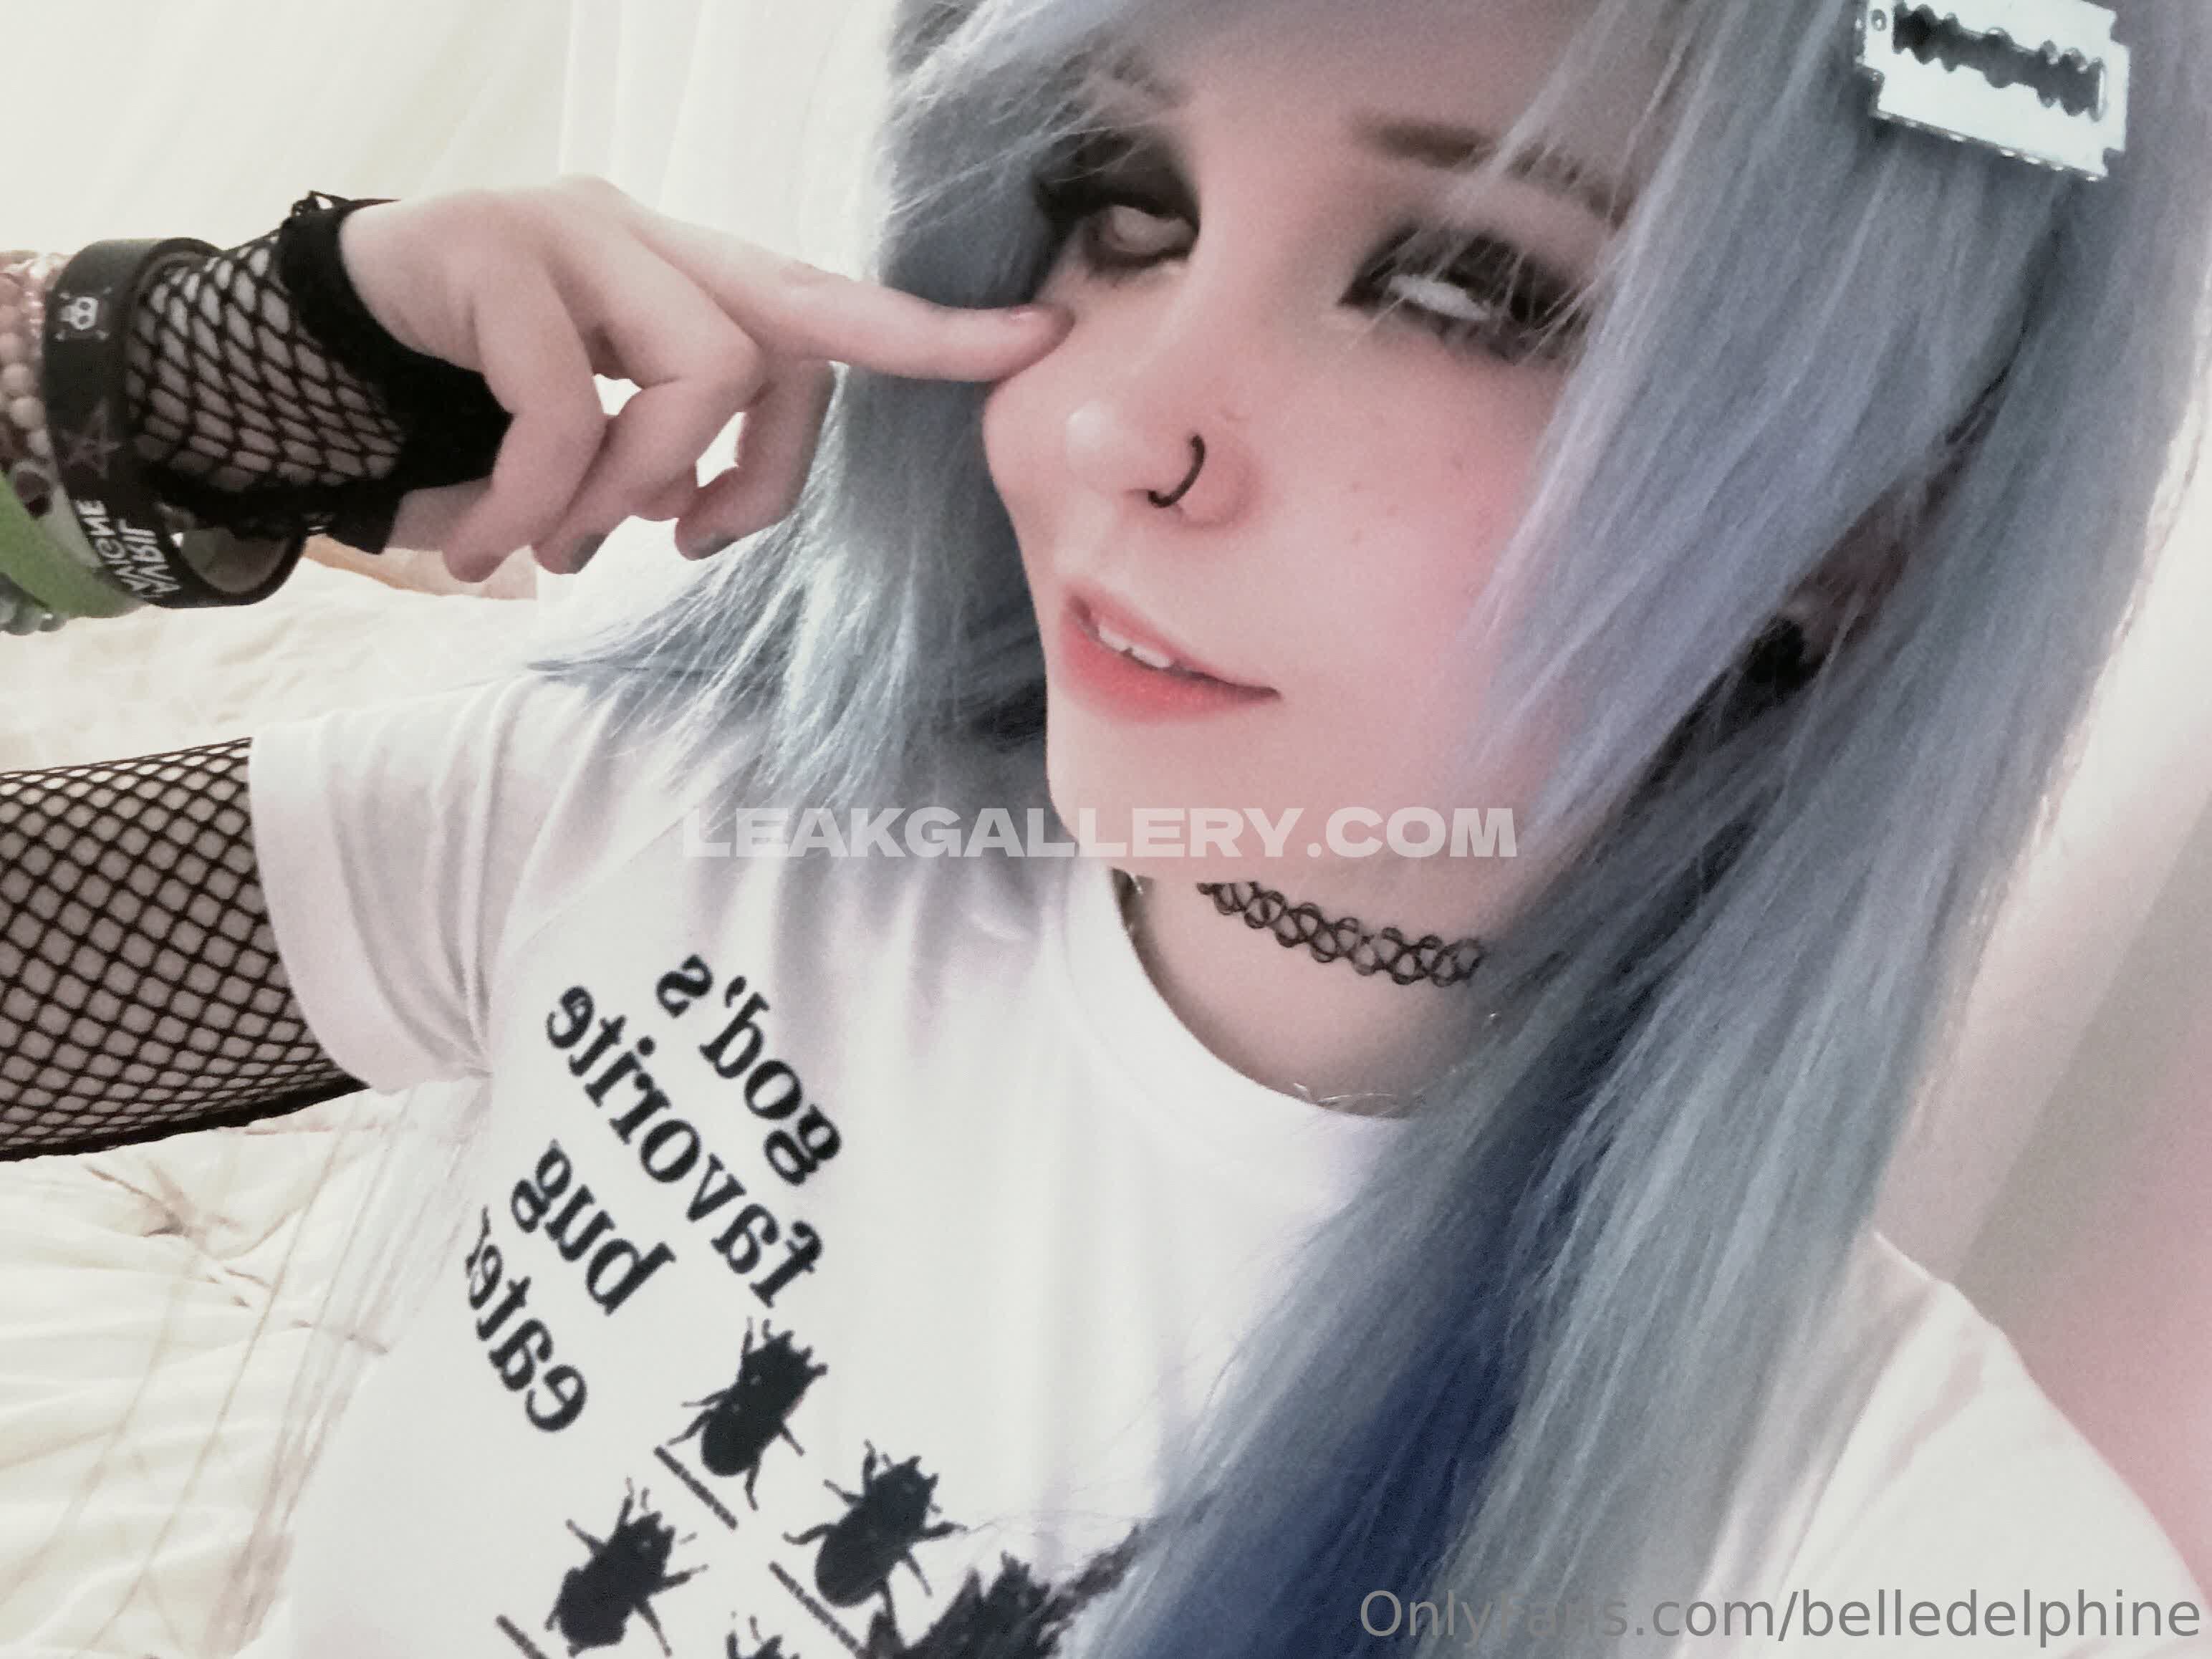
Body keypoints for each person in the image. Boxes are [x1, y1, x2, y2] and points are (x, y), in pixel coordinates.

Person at [2, 0, 2208, 1654]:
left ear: (1867, 527)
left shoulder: (1859, 1522)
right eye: (1125, 206)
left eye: (1470, 283)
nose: (1108, 420)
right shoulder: (685, 814)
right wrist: (174, 377)